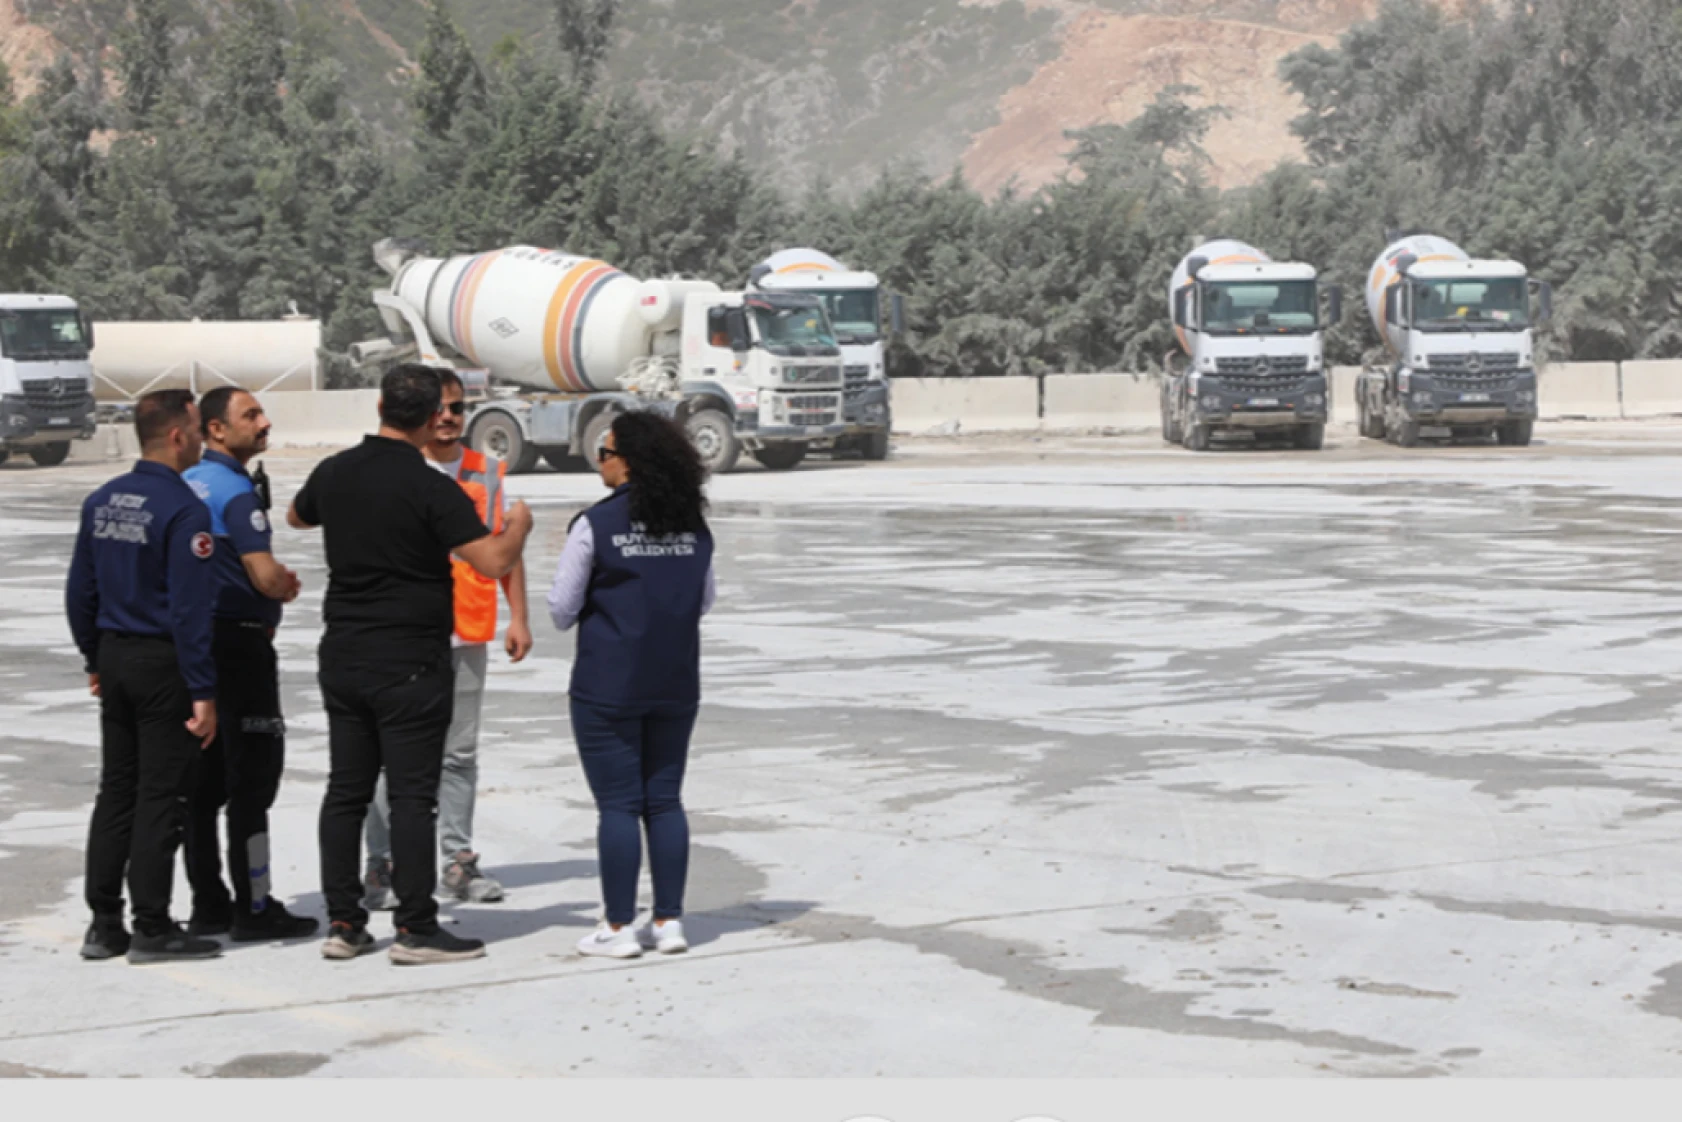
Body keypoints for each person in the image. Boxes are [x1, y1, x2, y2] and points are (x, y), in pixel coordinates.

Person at [288, 364, 532, 965]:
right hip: (410, 660)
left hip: (344, 653)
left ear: (379, 406)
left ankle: (343, 922)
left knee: (346, 790)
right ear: (429, 420)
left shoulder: (334, 471)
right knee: (413, 796)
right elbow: (493, 557)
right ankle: (416, 928)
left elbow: (297, 516)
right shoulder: (430, 488)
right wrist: (520, 525)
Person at [362, 368, 533, 911]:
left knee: (458, 753)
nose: (449, 419)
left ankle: (457, 860)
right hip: (406, 635)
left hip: (468, 631)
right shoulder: (396, 469)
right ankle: (380, 864)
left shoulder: (486, 471)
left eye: (458, 409)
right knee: (392, 757)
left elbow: (507, 546)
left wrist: (519, 617)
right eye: (439, 409)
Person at [547, 411, 715, 959]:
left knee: (618, 805)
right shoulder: (693, 524)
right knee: (664, 802)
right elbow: (705, 599)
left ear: (630, 460)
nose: (600, 459)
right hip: (675, 681)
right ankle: (668, 920)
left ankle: (618, 927)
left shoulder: (595, 524)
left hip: (608, 684)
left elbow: (562, 609)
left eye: (606, 450)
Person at [65, 389, 222, 964]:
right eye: (197, 430)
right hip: (162, 664)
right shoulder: (185, 509)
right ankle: (152, 924)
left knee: (118, 790)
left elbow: (80, 590)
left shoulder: (104, 499)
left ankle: (105, 923)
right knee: (161, 793)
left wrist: (94, 658)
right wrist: (203, 689)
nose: (202, 440)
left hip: (114, 654)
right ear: (179, 435)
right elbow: (189, 608)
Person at [180, 387, 317, 943]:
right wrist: (282, 585)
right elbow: (262, 575)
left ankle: (209, 904)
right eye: (251, 415)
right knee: (253, 781)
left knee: (203, 784)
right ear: (216, 429)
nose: (264, 423)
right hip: (240, 648)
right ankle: (255, 906)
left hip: (193, 648)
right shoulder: (236, 492)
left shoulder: (186, 484)